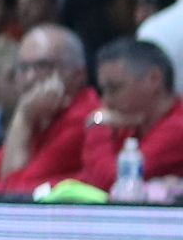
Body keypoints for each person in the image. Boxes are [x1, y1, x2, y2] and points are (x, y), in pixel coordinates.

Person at [0, 24, 96, 196]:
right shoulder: (41, 112)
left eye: (42, 66)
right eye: (23, 68)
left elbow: (12, 191)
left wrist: (23, 117)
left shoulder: (86, 117)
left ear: (78, 74)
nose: (29, 78)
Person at [76, 36, 183, 194]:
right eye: (103, 90)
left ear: (154, 79)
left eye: (114, 88)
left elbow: (111, 183)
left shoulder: (177, 127)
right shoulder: (130, 122)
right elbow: (86, 177)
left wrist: (97, 125)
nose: (106, 101)